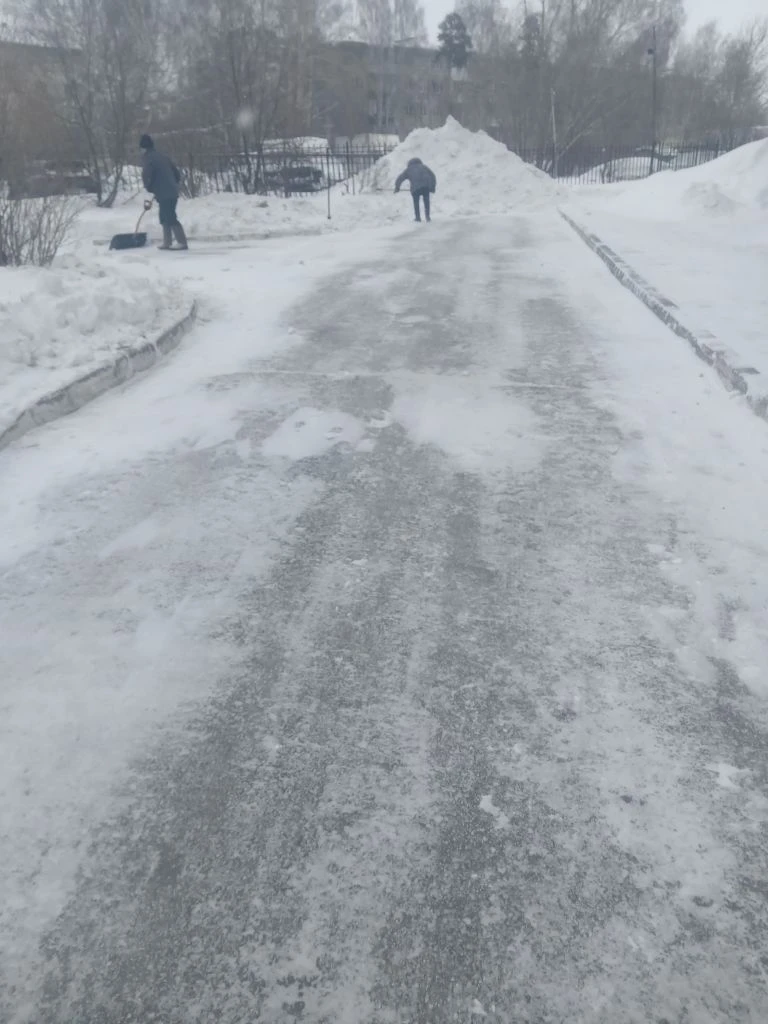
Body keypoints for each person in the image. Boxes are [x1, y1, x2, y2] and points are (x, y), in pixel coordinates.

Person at [140, 134, 188, 250]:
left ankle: (182, 242)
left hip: (165, 192)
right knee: (164, 216)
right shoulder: (163, 156)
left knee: (170, 216)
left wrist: (150, 187)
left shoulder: (149, 159)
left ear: (143, 148)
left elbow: (147, 175)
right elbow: (176, 173)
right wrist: (172, 184)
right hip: (170, 191)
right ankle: (167, 242)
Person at [394, 157, 437, 223]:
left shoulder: (409, 169)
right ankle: (427, 216)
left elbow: (400, 178)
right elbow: (432, 176)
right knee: (426, 201)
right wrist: (432, 187)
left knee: (416, 203)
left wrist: (397, 187)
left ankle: (418, 218)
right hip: (425, 187)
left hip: (415, 188)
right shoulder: (424, 167)